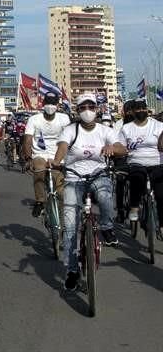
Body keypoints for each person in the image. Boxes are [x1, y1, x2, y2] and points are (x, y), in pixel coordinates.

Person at [52, 92, 125, 291]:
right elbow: (62, 148)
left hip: (98, 175)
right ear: (77, 111)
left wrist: (112, 148)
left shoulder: (105, 130)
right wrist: (57, 162)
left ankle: (106, 228)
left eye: (91, 107)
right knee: (69, 227)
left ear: (97, 109)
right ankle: (72, 270)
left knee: (104, 197)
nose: (87, 111)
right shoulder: (69, 130)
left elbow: (121, 148)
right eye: (83, 108)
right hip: (74, 177)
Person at [22, 92, 71, 217]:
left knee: (61, 192)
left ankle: (61, 218)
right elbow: (28, 139)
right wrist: (28, 159)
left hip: (58, 155)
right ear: (43, 104)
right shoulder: (34, 119)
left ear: (57, 105)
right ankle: (40, 201)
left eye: (53, 103)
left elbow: (69, 138)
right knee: (39, 171)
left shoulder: (64, 119)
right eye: (48, 103)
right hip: (40, 153)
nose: (50, 106)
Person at [120, 99, 163, 224]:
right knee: (137, 179)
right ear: (132, 111)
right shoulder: (126, 128)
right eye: (138, 109)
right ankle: (134, 207)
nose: (141, 111)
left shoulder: (158, 126)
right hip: (136, 162)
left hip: (157, 163)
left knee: (161, 195)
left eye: (143, 108)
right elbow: (120, 147)